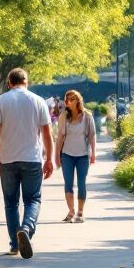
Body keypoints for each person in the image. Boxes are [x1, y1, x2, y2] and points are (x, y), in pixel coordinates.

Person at [0, 67, 53, 258]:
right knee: (33, 199)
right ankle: (26, 228)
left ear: (9, 83)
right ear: (27, 82)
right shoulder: (38, 101)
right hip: (32, 158)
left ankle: (15, 244)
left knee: (10, 203)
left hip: (8, 159)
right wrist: (49, 159)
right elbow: (47, 134)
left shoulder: (0, 101)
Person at [54, 90, 97, 223]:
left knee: (81, 183)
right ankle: (71, 210)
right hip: (67, 155)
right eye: (66, 99)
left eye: (70, 99)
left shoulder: (87, 116)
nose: (66, 102)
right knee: (68, 183)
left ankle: (80, 212)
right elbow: (60, 137)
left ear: (77, 101)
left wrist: (93, 153)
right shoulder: (63, 116)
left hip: (83, 155)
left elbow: (92, 135)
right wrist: (56, 155)